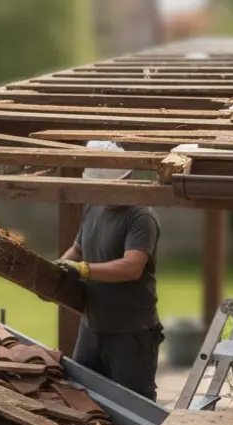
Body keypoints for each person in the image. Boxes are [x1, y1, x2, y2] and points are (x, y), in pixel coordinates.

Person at [54, 141, 164, 401]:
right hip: (92, 327)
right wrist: (56, 270)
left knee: (134, 404)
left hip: (131, 332)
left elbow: (132, 267)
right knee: (82, 397)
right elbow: (77, 249)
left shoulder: (140, 217)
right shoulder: (93, 209)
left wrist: (84, 270)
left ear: (125, 179)